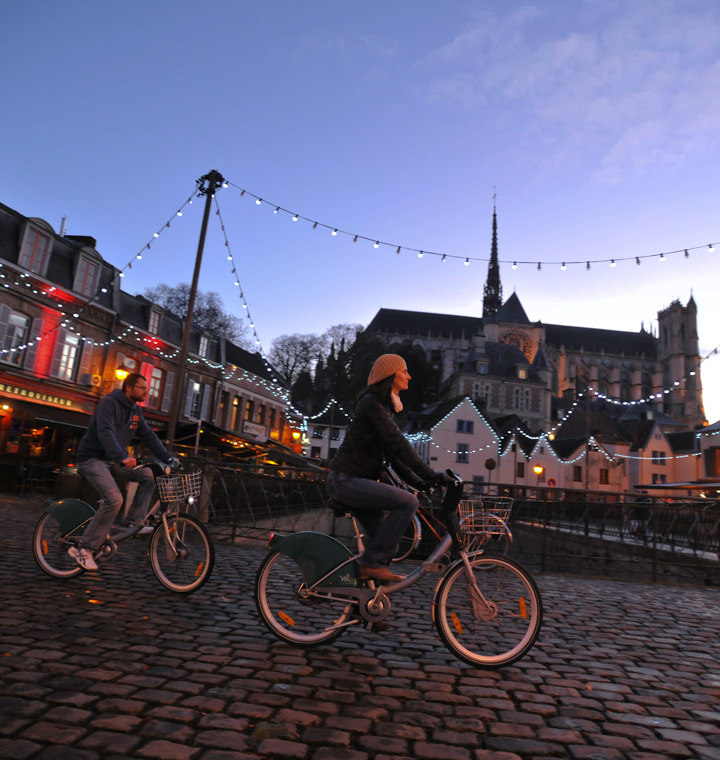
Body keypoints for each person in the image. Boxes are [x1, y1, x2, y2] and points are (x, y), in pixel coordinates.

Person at [326, 353, 439, 584]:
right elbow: (398, 442)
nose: (409, 375)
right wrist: (429, 473)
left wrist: (421, 482)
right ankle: (370, 566)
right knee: (408, 502)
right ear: (391, 375)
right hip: (345, 481)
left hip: (353, 481)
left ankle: (369, 607)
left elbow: (393, 456)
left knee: (386, 543)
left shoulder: (383, 407)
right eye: (404, 371)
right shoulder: (371, 404)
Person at [70, 372, 178, 571]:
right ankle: (84, 548)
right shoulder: (108, 404)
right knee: (114, 499)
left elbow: (148, 435)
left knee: (148, 475)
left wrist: (167, 458)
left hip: (112, 460)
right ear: (128, 388)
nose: (146, 391)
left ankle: (134, 521)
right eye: (142, 388)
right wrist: (120, 456)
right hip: (92, 459)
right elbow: (105, 432)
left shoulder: (135, 410)